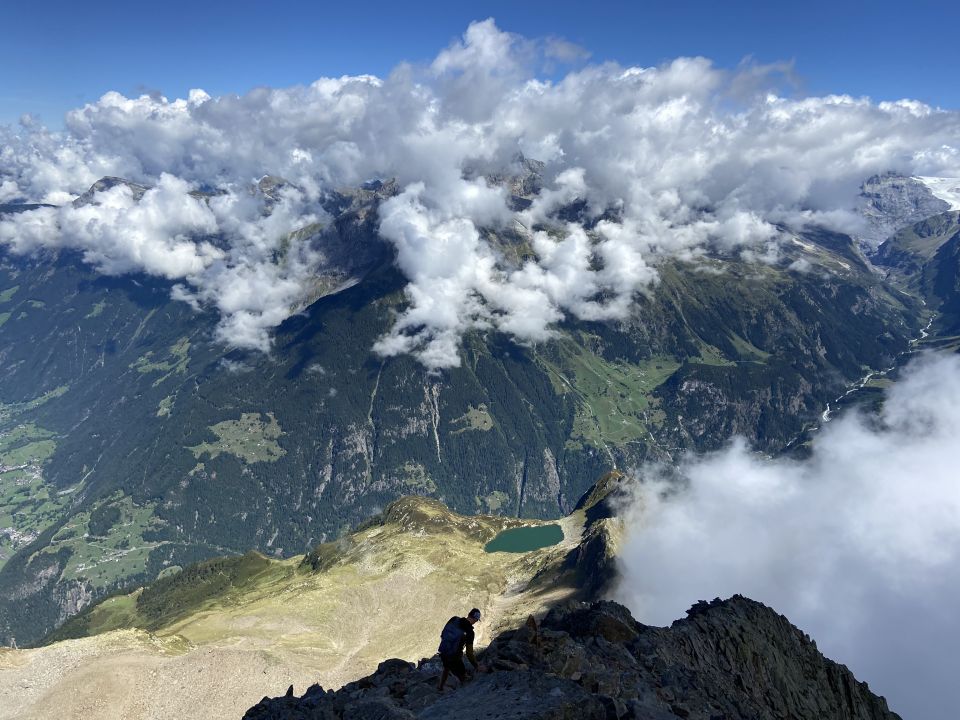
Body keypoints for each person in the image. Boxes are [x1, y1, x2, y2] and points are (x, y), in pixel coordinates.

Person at [437, 607, 485, 690]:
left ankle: (440, 687)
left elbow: (443, 634)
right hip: (455, 658)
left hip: (443, 652)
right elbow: (469, 653)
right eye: (477, 620)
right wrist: (476, 666)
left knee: (447, 667)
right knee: (465, 679)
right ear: (476, 620)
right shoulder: (470, 632)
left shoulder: (454, 619)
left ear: (468, 614)